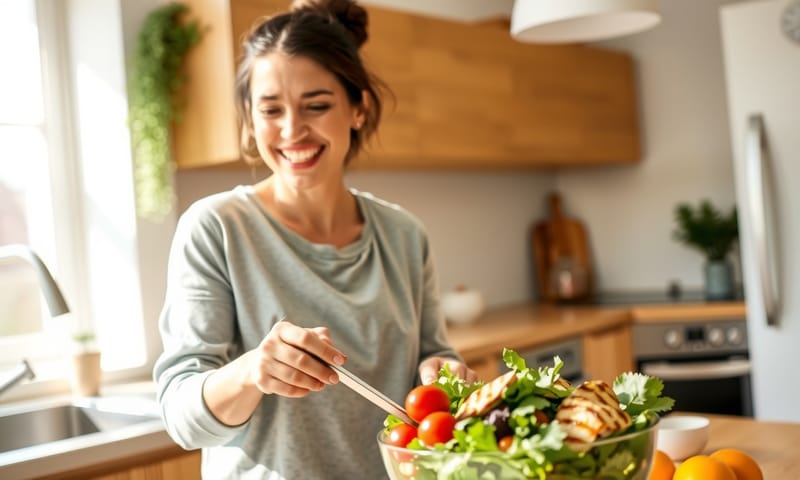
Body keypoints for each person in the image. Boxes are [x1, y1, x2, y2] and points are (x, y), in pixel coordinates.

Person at [152, 0, 477, 478]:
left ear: (358, 109)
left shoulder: (404, 235)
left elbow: (433, 352)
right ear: (250, 118)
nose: (291, 129)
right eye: (270, 109)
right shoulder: (216, 228)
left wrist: (443, 374)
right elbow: (183, 420)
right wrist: (253, 371)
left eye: (317, 105)